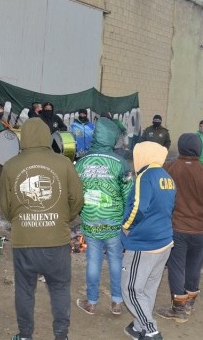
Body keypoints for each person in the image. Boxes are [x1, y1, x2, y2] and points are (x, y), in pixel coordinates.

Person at [0, 119, 83, 340]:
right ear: (47, 135)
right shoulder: (64, 163)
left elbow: (6, 207)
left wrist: (19, 219)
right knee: (60, 288)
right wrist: (64, 218)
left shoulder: (10, 165)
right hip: (57, 240)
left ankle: (25, 335)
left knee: (25, 290)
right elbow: (77, 199)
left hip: (23, 241)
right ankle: (61, 335)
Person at [155, 133, 203, 323]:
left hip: (177, 228)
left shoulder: (169, 168)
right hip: (202, 230)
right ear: (199, 148)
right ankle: (190, 302)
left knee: (176, 267)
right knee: (194, 266)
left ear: (181, 147)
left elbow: (161, 197)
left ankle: (178, 308)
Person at [74, 118, 132, 317]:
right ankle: (117, 302)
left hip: (90, 219)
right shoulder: (121, 163)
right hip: (114, 221)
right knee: (116, 260)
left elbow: (75, 192)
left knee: (93, 260)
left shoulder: (81, 162)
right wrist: (124, 219)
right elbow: (128, 195)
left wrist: (81, 212)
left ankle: (91, 302)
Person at [121, 141, 176, 340]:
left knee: (130, 289)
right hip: (164, 241)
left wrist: (125, 226)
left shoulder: (144, 177)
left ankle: (151, 331)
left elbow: (139, 208)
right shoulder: (167, 177)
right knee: (147, 288)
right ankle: (138, 327)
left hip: (144, 244)